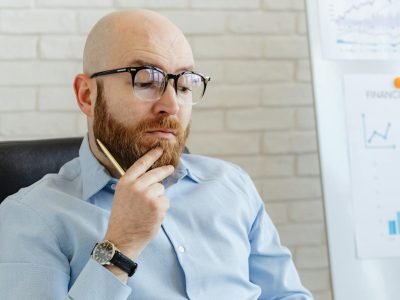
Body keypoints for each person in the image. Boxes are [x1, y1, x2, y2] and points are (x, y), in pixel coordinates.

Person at [0, 9, 312, 300]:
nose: (172, 105)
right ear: (87, 96)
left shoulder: (231, 184)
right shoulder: (31, 217)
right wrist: (121, 245)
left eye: (186, 85)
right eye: (146, 81)